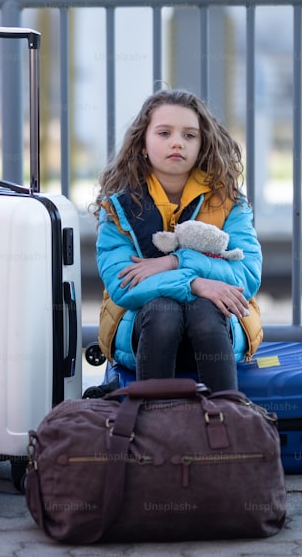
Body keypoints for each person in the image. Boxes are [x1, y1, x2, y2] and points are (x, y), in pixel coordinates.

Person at [91, 88, 263, 392]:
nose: (176, 143)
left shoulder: (231, 203)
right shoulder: (117, 208)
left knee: (205, 309)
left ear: (203, 145)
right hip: (141, 335)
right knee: (163, 309)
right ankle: (153, 424)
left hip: (218, 333)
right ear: (143, 142)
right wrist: (194, 283)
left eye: (189, 136)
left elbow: (245, 275)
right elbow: (123, 286)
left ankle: (229, 419)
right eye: (164, 132)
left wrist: (175, 261)